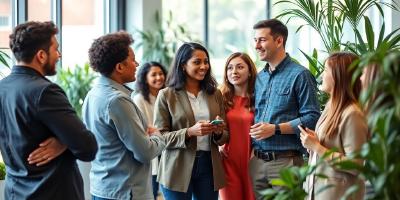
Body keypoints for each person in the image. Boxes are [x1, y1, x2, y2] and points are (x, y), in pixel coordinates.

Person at [0, 21, 98, 200]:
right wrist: (67, 140)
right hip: (51, 193)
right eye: (56, 49)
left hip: (14, 193)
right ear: (41, 56)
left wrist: (64, 140)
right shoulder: (45, 91)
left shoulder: (2, 88)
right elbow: (87, 147)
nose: (59, 55)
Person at [82, 31, 166, 200]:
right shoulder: (117, 101)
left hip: (102, 188)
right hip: (125, 192)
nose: (137, 64)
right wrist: (158, 135)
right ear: (119, 67)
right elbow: (146, 152)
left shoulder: (93, 94)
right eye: (133, 60)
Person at [249, 19, 320, 199]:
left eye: (262, 40)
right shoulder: (260, 77)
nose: (256, 45)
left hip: (286, 162)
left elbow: (312, 117)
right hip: (257, 163)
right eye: (255, 40)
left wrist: (276, 129)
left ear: (279, 41)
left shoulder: (300, 75)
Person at [153, 42, 229, 200]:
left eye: (206, 61)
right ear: (182, 65)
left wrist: (219, 132)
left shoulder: (215, 94)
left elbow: (225, 136)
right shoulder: (166, 95)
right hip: (177, 166)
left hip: (209, 166)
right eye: (197, 62)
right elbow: (159, 137)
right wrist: (189, 132)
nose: (203, 66)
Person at [300, 52, 368, 200]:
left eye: (325, 70)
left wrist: (317, 147)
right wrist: (315, 140)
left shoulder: (353, 114)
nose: (321, 76)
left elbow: (356, 165)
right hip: (320, 191)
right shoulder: (332, 106)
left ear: (339, 76)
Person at [219, 52, 257, 200]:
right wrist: (217, 146)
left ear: (249, 72)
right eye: (230, 68)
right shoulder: (220, 98)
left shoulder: (259, 98)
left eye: (240, 67)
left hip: (253, 161)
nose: (234, 71)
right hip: (227, 162)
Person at [132, 61, 167, 200]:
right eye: (154, 75)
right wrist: (160, 131)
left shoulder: (166, 96)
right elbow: (144, 128)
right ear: (145, 78)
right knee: (151, 192)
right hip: (151, 150)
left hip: (167, 147)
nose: (159, 77)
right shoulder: (139, 99)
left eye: (161, 74)